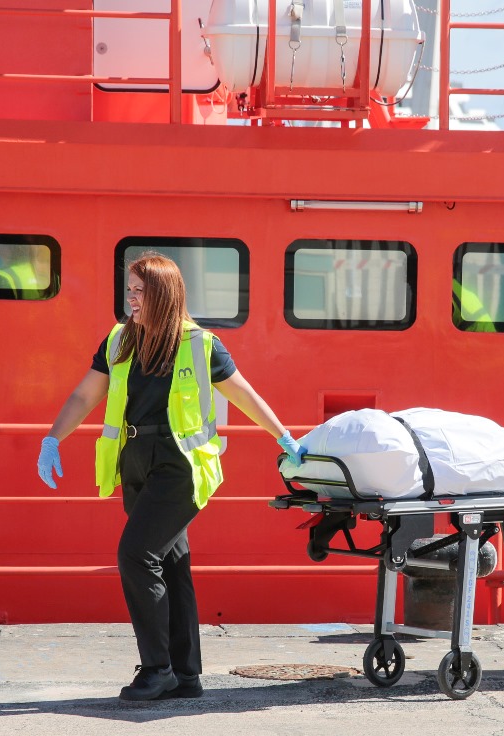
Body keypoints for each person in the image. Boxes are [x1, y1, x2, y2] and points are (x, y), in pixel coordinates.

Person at [36, 252, 306, 701]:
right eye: (129, 290)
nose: (131, 298)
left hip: (181, 464)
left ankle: (156, 668)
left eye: (139, 291)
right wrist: (53, 439)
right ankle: (185, 675)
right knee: (172, 562)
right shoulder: (120, 340)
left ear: (163, 294)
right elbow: (86, 393)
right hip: (135, 458)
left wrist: (284, 437)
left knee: (136, 555)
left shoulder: (202, 344)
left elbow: (244, 395)